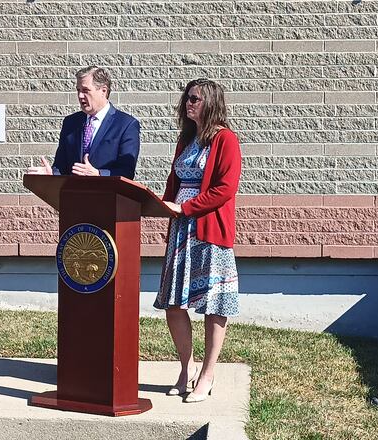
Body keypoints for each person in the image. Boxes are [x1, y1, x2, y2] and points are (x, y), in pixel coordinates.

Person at [154, 78, 242, 403]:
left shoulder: (226, 139)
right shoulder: (186, 138)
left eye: (195, 98)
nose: (188, 103)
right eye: (187, 98)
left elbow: (225, 189)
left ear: (211, 103)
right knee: (174, 303)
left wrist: (187, 207)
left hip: (209, 231)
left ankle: (207, 374)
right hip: (181, 230)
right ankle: (186, 368)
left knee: (213, 303)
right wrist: (162, 205)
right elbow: (175, 181)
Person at [27, 66, 140, 179]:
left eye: (85, 90)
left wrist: (98, 174)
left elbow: (126, 172)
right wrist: (51, 173)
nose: (80, 96)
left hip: (106, 190)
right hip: (74, 190)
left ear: (103, 91)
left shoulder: (126, 125)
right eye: (78, 90)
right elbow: (61, 167)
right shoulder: (71, 122)